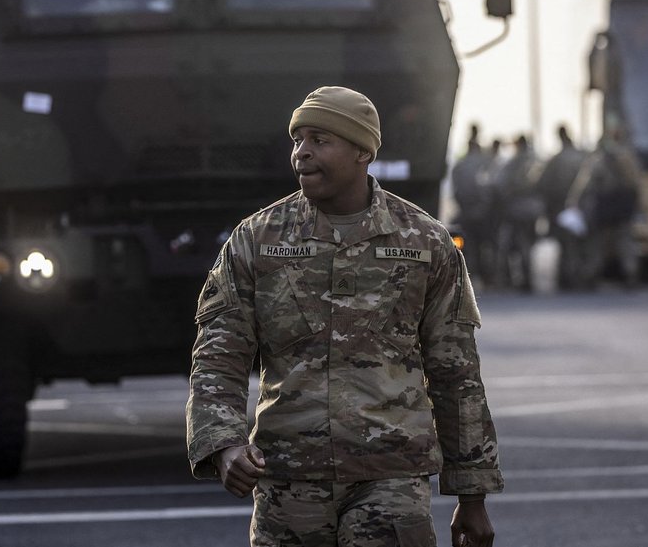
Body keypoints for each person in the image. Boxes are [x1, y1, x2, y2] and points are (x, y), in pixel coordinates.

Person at [186, 86, 504, 547]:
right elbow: (218, 355)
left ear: (362, 152)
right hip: (289, 484)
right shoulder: (256, 241)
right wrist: (224, 443)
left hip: (391, 480)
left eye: (319, 140)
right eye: (297, 140)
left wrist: (472, 494)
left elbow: (456, 373)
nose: (302, 153)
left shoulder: (425, 243)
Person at [566, 127, 642, 288]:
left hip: (605, 206)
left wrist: (574, 201)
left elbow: (584, 184)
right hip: (624, 206)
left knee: (597, 244)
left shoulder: (598, 159)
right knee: (625, 242)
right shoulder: (627, 157)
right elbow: (636, 182)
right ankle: (631, 274)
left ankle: (591, 275)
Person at [537, 125, 587, 290]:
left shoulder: (557, 160)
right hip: (582, 207)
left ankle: (569, 278)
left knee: (567, 245)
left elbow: (543, 184)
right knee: (583, 244)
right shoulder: (582, 157)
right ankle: (582, 277)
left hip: (561, 207)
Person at [494, 135, 543, 292]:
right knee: (527, 244)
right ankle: (527, 278)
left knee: (515, 244)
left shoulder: (513, 163)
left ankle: (517, 279)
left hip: (516, 209)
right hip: (533, 209)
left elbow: (500, 185)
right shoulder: (537, 161)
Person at [451, 124, 495, 287]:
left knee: (468, 247)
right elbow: (493, 188)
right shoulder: (486, 163)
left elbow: (456, 191)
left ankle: (469, 276)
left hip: (467, 212)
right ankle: (488, 278)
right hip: (485, 214)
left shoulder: (460, 166)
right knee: (487, 246)